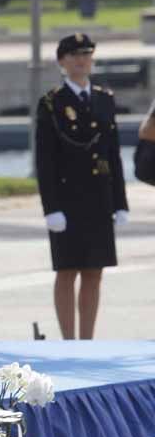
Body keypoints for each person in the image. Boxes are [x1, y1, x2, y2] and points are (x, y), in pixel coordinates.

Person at [35, 33, 129, 340]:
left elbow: (112, 154)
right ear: (62, 62)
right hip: (67, 200)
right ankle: (68, 340)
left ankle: (87, 340)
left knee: (94, 271)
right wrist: (51, 208)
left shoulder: (104, 98)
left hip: (99, 199)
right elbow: (45, 161)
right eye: (74, 55)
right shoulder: (52, 103)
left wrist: (120, 202)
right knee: (67, 271)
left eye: (86, 54)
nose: (81, 60)